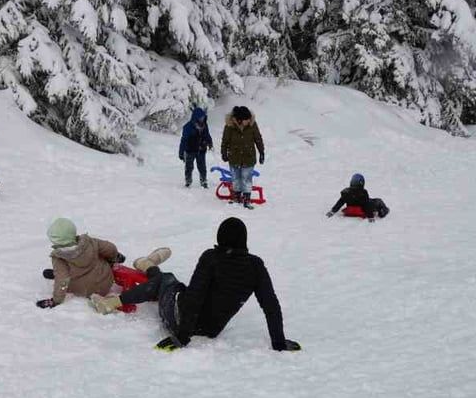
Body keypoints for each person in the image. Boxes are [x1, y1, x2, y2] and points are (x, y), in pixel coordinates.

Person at [90, 217, 301, 352]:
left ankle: (116, 298)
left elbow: (195, 298)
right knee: (172, 284)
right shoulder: (255, 265)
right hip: (211, 329)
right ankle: (148, 265)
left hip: (181, 320)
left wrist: (181, 337)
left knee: (165, 280)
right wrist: (279, 342)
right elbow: (270, 304)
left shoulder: (211, 257)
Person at [36, 217, 171, 308]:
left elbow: (63, 280)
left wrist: (56, 301)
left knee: (62, 273)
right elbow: (109, 248)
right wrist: (114, 257)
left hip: (82, 289)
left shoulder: (59, 257)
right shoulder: (90, 242)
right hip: (105, 281)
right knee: (98, 259)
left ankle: (56, 274)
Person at [220, 106, 265, 209]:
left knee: (246, 179)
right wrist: (224, 153)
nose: (249, 121)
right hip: (234, 157)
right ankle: (236, 197)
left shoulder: (252, 124)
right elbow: (225, 140)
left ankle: (247, 199)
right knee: (236, 178)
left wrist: (261, 152)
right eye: (246, 120)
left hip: (248, 157)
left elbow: (258, 138)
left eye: (249, 119)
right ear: (239, 120)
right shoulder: (229, 126)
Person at [179, 106, 214, 188]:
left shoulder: (205, 125)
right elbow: (183, 140)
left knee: (202, 167)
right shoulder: (187, 127)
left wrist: (210, 142)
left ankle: (204, 181)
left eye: (203, 117)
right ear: (196, 117)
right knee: (189, 167)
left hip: (201, 149)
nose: (202, 119)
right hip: (190, 150)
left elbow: (207, 135)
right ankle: (188, 181)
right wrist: (181, 152)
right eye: (200, 117)